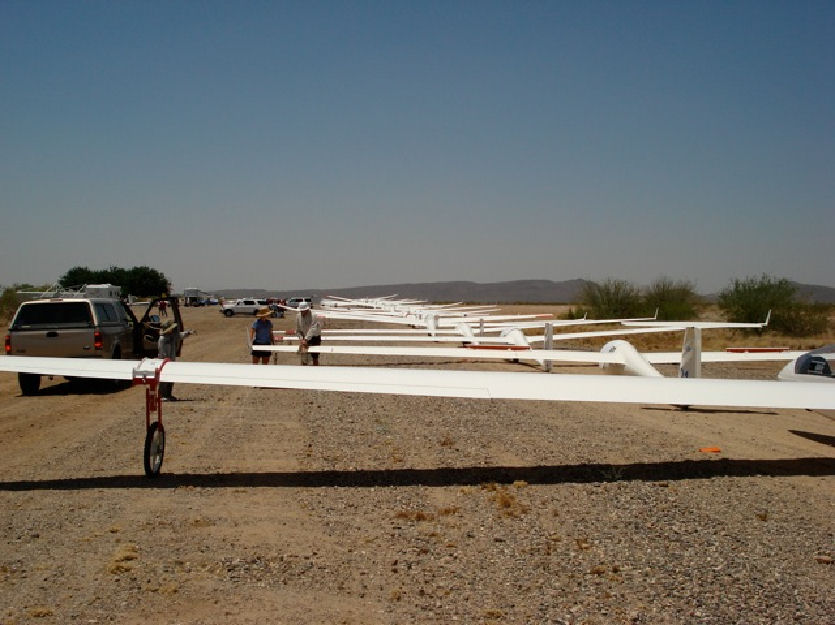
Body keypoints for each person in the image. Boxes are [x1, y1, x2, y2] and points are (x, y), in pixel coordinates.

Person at [157, 319, 180, 401]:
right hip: (165, 362)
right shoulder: (162, 339)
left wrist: (188, 333)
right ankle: (162, 395)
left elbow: (179, 336)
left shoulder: (171, 337)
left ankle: (168, 394)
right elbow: (162, 352)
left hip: (171, 362)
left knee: (170, 379)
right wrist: (166, 361)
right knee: (164, 379)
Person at [295, 301, 321, 365]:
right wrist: (301, 338)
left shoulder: (314, 315)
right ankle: (305, 372)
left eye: (303, 310)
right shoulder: (298, 316)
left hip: (315, 337)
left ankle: (315, 371)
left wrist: (306, 339)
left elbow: (313, 328)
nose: (302, 312)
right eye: (301, 310)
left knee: (315, 356)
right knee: (304, 356)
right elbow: (298, 330)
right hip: (304, 338)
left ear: (307, 309)